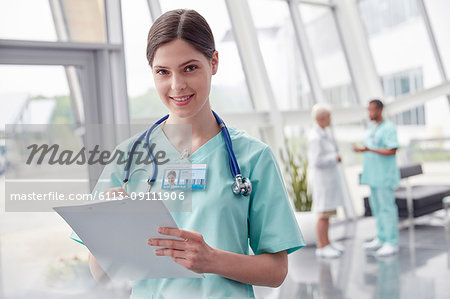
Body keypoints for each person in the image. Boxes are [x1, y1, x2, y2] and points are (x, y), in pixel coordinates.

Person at [77, 9, 305, 298]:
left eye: (190, 68)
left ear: (214, 62)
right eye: (163, 72)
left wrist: (212, 260)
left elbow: (276, 271)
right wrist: (108, 230)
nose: (177, 85)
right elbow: (102, 276)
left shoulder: (253, 157)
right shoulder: (127, 158)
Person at [353, 99, 400, 257]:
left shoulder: (388, 128)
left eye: (372, 110)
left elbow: (392, 150)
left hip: (384, 176)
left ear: (379, 110)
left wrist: (370, 149)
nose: (369, 113)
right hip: (372, 175)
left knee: (387, 208)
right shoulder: (371, 128)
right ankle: (381, 238)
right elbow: (371, 147)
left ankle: (391, 242)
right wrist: (364, 150)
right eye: (368, 110)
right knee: (376, 207)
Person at [308, 104, 345, 259]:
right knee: (323, 214)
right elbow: (315, 161)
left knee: (327, 214)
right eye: (329, 117)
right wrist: (334, 158)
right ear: (321, 119)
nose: (330, 120)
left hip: (328, 180)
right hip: (322, 181)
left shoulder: (324, 133)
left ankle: (327, 242)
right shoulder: (315, 137)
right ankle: (322, 246)